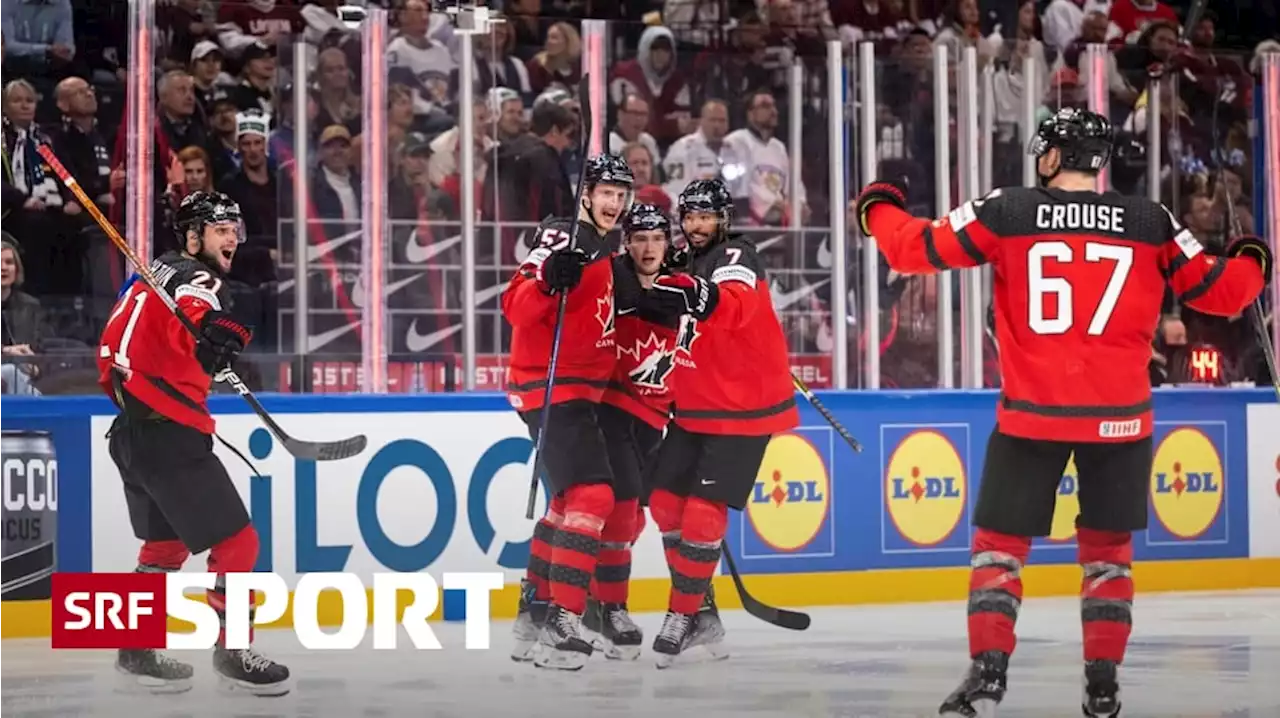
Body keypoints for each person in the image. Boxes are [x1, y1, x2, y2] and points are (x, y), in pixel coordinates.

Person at [852, 107, 1270, 718]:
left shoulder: (1009, 210)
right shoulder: (1150, 220)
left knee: (999, 548)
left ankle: (987, 675)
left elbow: (914, 251)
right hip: (1121, 419)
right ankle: (1103, 683)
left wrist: (878, 205)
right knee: (1108, 555)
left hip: (1032, 415)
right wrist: (1253, 255)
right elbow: (1226, 291)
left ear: (1052, 156)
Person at [97, 191, 290, 696]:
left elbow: (165, 328)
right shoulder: (193, 277)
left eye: (235, 228)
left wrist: (205, 346)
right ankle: (233, 651)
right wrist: (211, 329)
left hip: (133, 435)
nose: (231, 237)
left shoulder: (154, 271)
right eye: (220, 228)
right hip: (168, 435)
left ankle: (134, 649)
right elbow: (196, 302)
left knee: (164, 545)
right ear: (191, 235)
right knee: (239, 542)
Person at [641, 178, 800, 667]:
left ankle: (679, 612)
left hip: (743, 411)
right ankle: (703, 612)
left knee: (703, 513)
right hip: (695, 407)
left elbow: (731, 307)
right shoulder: (685, 261)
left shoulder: (738, 257)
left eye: (704, 216)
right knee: (665, 503)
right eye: (688, 217)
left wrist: (695, 289)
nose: (694, 226)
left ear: (723, 219)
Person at [501, 154, 636, 670]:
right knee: (594, 495)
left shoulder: (605, 247)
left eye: (621, 195)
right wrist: (547, 279)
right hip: (552, 388)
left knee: (564, 506)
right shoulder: (562, 237)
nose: (614, 203)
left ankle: (532, 616)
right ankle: (563, 620)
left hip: (578, 391)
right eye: (606, 193)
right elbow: (514, 305)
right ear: (586, 194)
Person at [581, 203, 683, 660]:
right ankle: (611, 608)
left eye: (656, 239)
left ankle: (592, 601)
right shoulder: (614, 276)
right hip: (612, 408)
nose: (647, 247)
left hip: (655, 416)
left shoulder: (683, 285)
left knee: (637, 517)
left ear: (668, 243)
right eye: (639, 238)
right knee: (620, 511)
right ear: (627, 243)